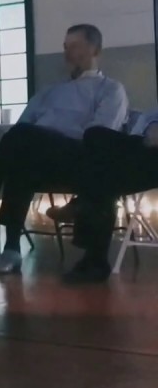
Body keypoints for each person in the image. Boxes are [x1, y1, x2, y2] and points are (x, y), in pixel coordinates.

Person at [0, 24, 128, 275]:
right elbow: (21, 128)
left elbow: (100, 136)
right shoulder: (49, 93)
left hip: (80, 159)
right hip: (38, 156)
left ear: (95, 49)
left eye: (74, 46)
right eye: (65, 47)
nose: (67, 53)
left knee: (23, 140)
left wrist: (47, 136)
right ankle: (11, 249)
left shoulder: (110, 89)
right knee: (21, 160)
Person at [67, 111, 158, 283]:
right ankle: (95, 260)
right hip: (142, 151)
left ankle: (95, 259)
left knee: (102, 164)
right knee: (97, 138)